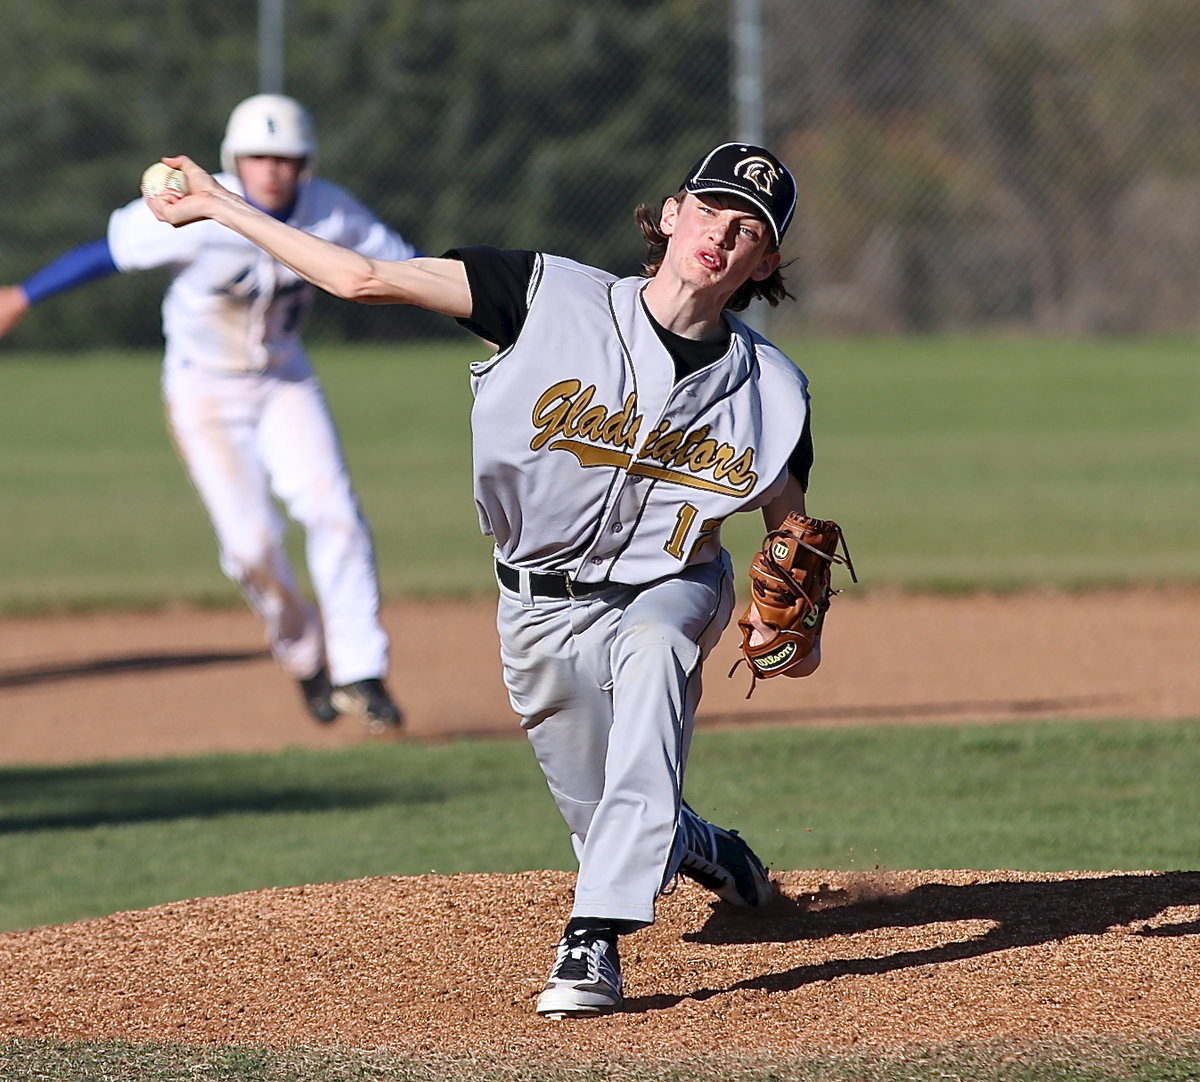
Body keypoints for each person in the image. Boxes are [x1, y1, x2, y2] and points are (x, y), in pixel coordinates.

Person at [144, 141, 818, 1017]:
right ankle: (699, 846)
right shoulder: (542, 294)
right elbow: (359, 279)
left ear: (764, 262)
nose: (721, 237)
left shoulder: (771, 390)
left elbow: (789, 529)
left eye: (748, 230)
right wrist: (222, 206)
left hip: (672, 584)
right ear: (671, 211)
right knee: (609, 816)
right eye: (711, 211)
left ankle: (591, 943)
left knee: (655, 651)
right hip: (536, 605)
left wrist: (797, 632)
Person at [0, 94, 420, 731]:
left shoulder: (331, 211)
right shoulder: (197, 204)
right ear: (234, 159)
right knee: (251, 546)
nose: (272, 168)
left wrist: (481, 311)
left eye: (286, 157)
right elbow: (106, 253)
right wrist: (23, 296)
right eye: (259, 155)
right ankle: (305, 656)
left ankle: (362, 670)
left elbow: (403, 266)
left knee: (333, 511)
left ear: (304, 163)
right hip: (204, 391)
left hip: (285, 381)